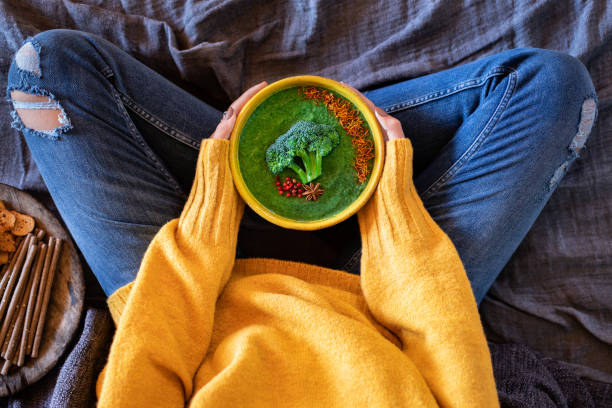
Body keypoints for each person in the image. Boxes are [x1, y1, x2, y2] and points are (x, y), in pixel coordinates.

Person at [6, 29, 596, 407]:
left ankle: (266, 141)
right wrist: (390, 206)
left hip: (189, 305)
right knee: (552, 88)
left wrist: (216, 199)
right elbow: (455, 364)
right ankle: (330, 140)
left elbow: (146, 368)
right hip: (381, 303)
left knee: (46, 69)